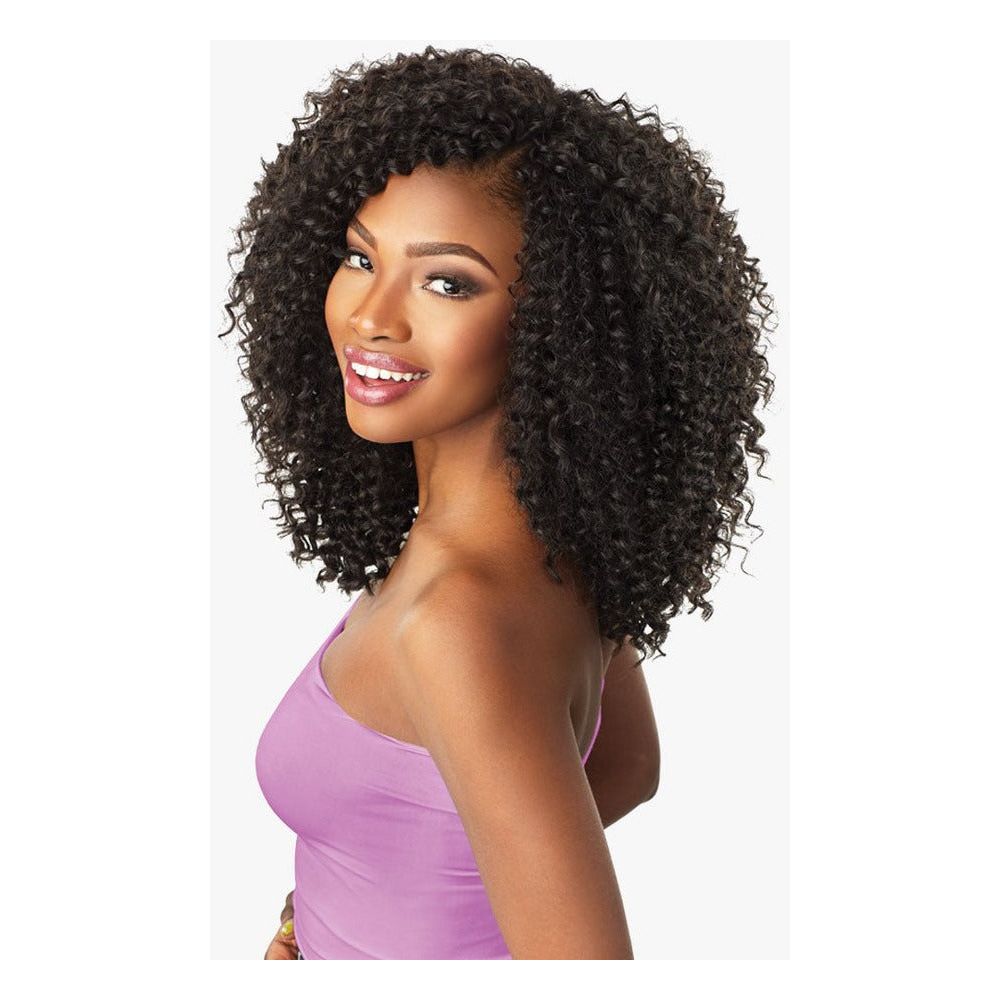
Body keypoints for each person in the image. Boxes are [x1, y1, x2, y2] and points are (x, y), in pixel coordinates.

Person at [223, 45, 774, 960]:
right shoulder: (553, 538)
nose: (372, 316)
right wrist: (337, 915)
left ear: (558, 319)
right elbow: (627, 767)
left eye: (447, 281)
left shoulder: (459, 621)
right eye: (359, 256)